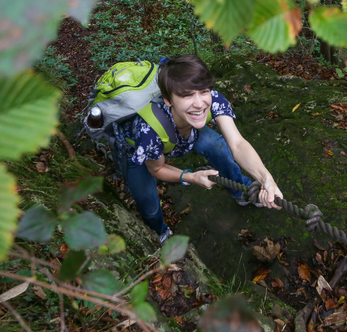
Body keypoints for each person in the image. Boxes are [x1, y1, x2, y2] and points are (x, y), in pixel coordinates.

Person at [112, 54, 283, 243]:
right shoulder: (148, 131)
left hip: (186, 129)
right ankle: (160, 232)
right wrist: (191, 177)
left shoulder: (213, 100)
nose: (200, 103)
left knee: (218, 147)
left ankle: (240, 191)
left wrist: (266, 179)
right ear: (168, 99)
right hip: (140, 148)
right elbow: (156, 169)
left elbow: (238, 144)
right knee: (148, 202)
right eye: (186, 95)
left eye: (204, 91)